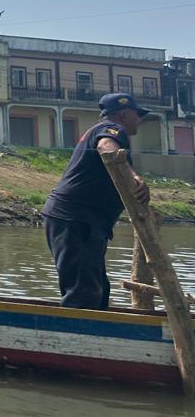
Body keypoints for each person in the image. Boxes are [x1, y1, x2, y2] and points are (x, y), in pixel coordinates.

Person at [43, 92, 151, 310]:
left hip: (83, 221)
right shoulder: (112, 129)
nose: (139, 119)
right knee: (83, 293)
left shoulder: (101, 129)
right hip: (76, 218)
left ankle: (96, 328)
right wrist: (134, 178)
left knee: (98, 290)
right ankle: (76, 330)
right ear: (123, 114)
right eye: (137, 114)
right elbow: (106, 147)